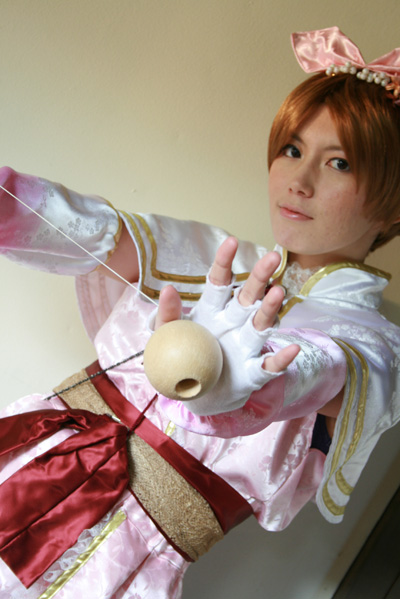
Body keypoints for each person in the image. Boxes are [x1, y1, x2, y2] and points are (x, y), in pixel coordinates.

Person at [0, 26, 399, 599]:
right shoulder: (221, 257)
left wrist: (237, 382)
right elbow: (92, 231)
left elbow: (319, 368)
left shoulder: (376, 345)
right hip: (27, 454)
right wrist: (10, 202)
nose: (299, 180)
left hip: (115, 561)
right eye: (292, 150)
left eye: (339, 163)